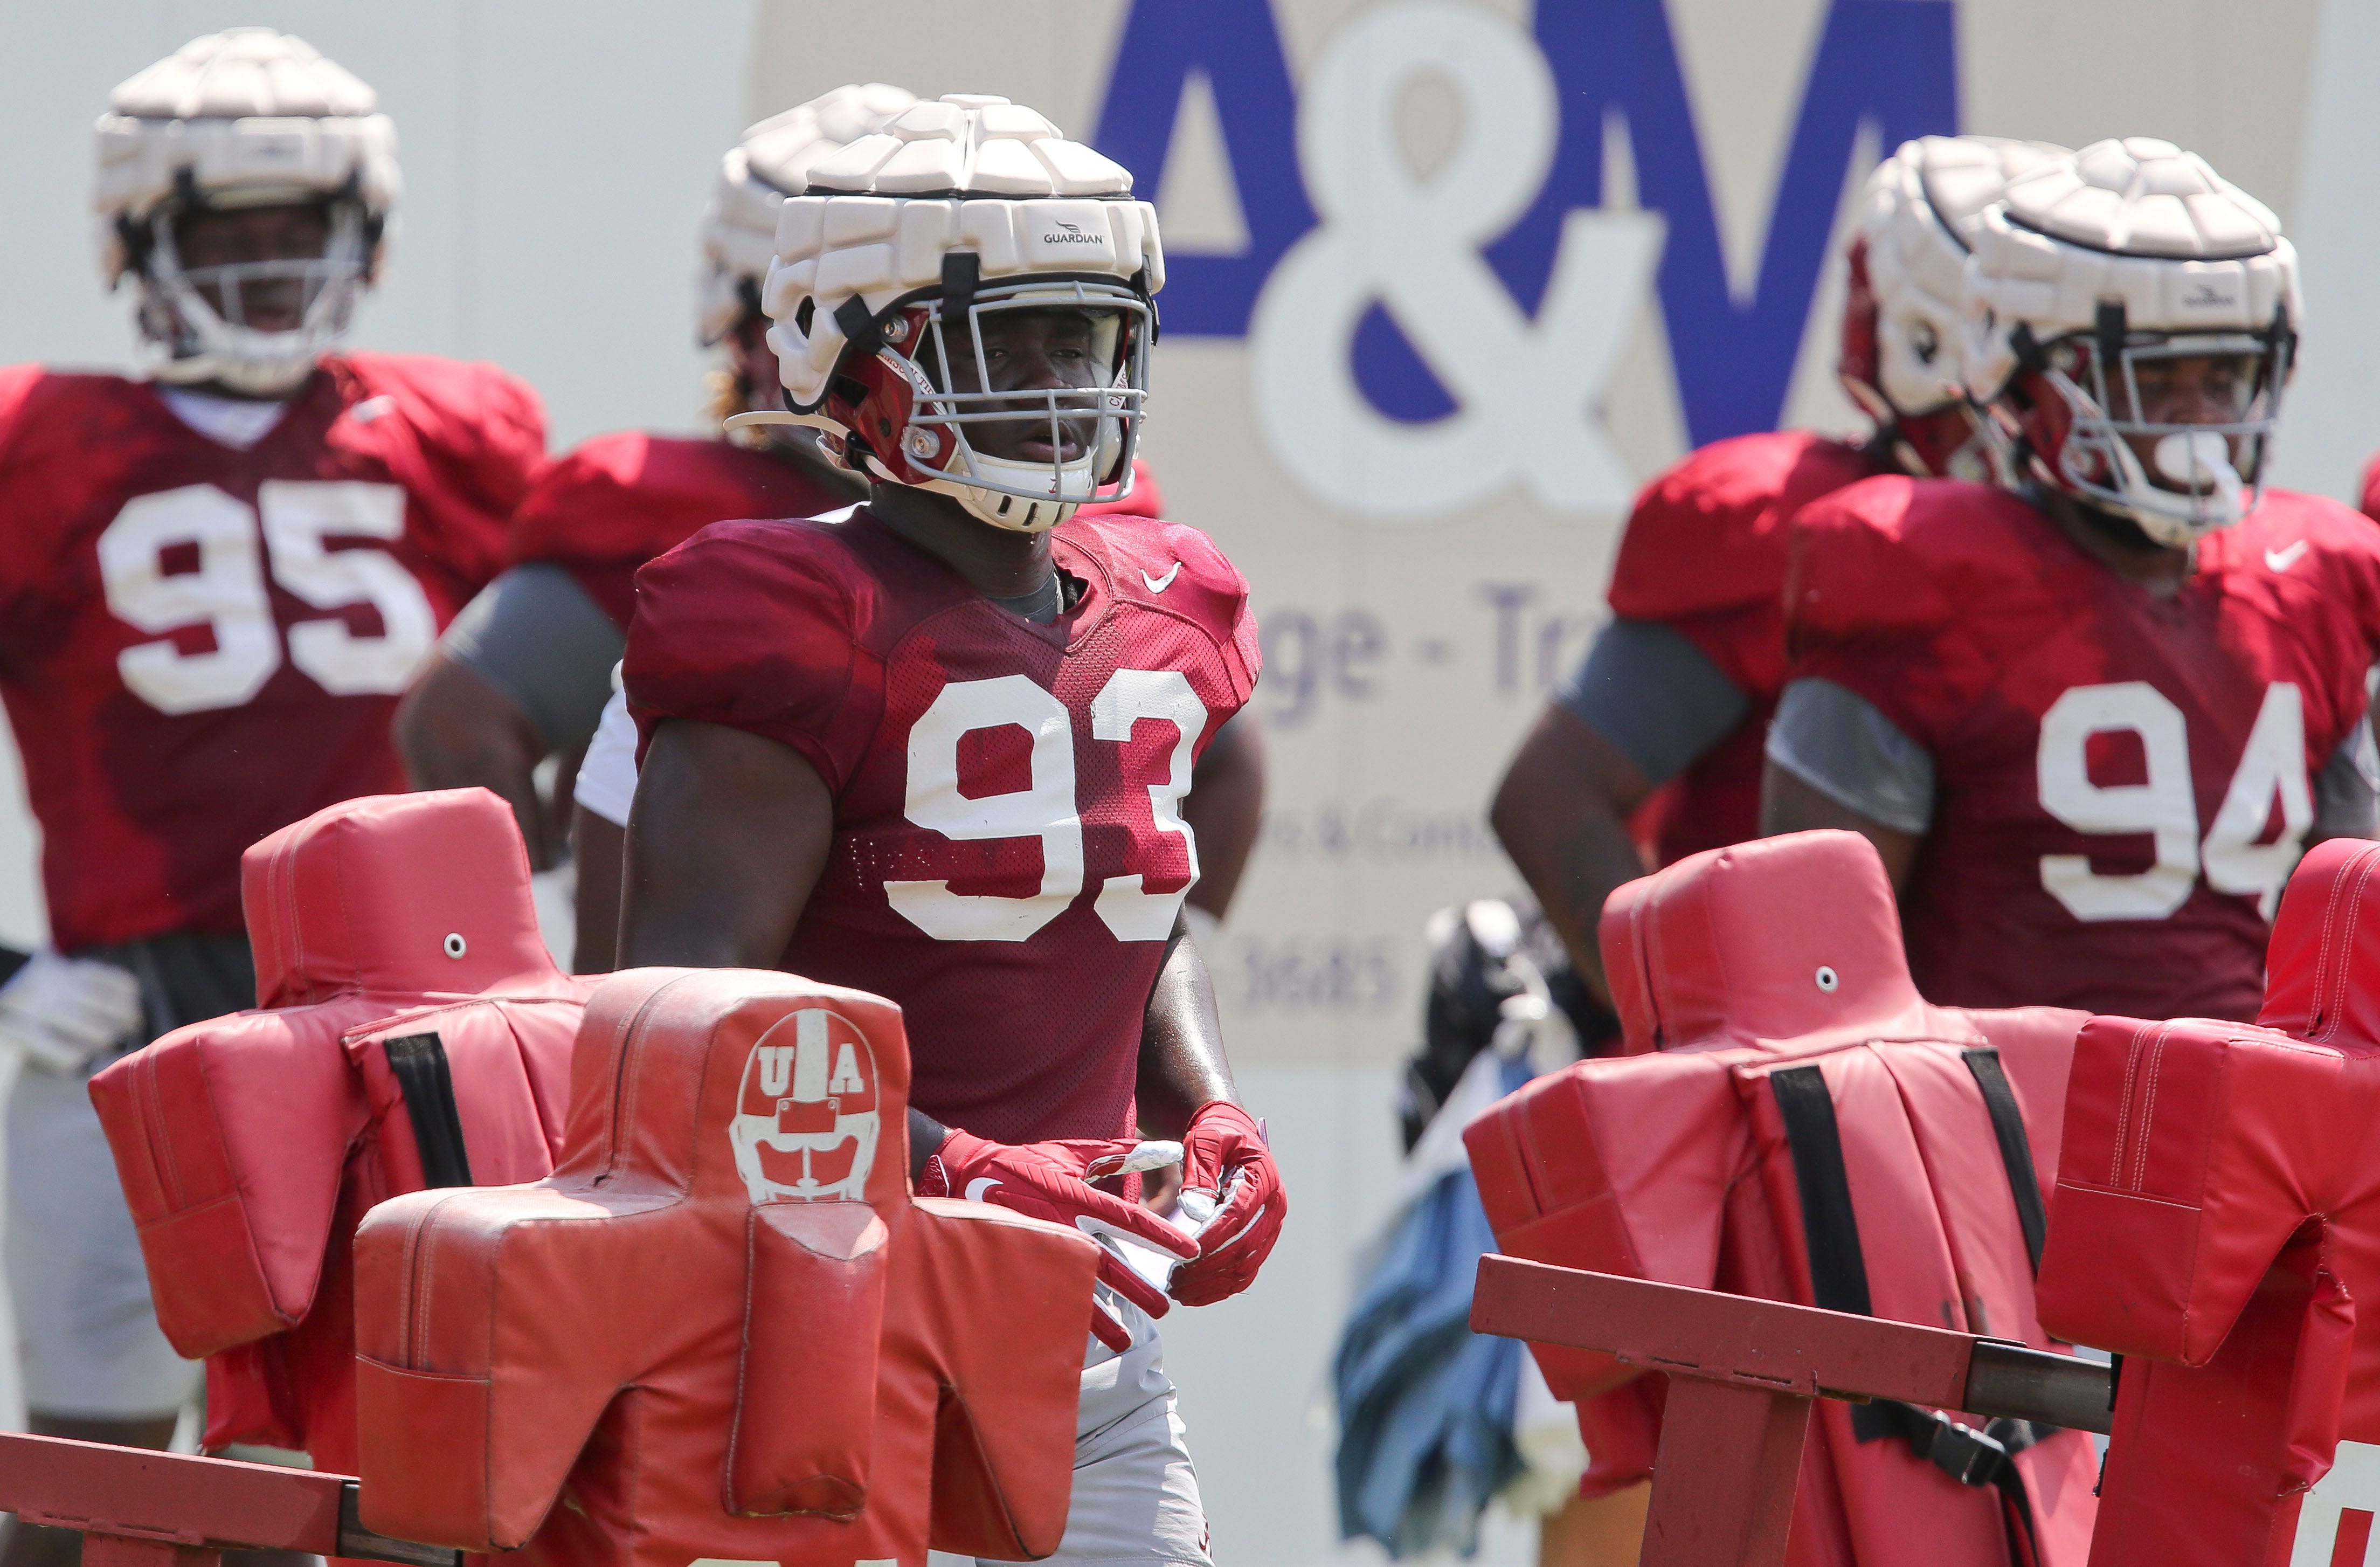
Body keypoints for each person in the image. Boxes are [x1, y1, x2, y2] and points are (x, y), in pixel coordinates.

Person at [614, 94, 1283, 1567]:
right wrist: (953, 1162)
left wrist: (1210, 1108)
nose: (1062, 384)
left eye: (1086, 338)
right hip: (808, 1326)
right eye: (1014, 341)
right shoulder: (793, 615)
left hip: (1082, 1336)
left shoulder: (1163, 596)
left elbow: (1130, 903)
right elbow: (683, 1024)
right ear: (854, 350)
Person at [0, 31, 544, 1564]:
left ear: (360, 232)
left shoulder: (453, 429)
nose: (270, 266)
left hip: (399, 1027)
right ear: (136, 240)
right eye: (229, 233)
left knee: (401, 1483)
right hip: (138, 1011)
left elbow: (599, 684)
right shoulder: (39, 439)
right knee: (81, 1494)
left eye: (298, 229)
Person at [1766, 137, 2380, 1022]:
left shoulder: (2313, 577)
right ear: (2026, 380)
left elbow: (2350, 952)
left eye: (2226, 376)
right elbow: (1812, 980)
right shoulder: (1920, 571)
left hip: (2246, 1137)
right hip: (1996, 1141)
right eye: (2157, 377)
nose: (2198, 417)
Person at [1490, 136, 2065, 1007]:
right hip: (1842, 1080)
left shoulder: (2173, 571)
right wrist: (1697, 1037)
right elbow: (1549, 798)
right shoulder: (1788, 533)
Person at [390, 84, 908, 871]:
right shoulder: (680, 518)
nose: (881, 362)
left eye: (919, 323)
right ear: (744, 327)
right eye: (826, 320)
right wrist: (541, 941)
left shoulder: (1085, 530)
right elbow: (458, 724)